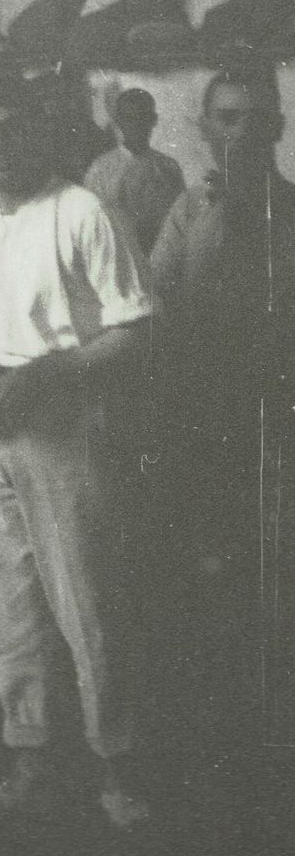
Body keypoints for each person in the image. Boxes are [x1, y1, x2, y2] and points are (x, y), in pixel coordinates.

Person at [0, 70, 156, 828]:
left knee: (86, 598)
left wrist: (43, 375)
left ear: (38, 128)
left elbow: (133, 328)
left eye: (9, 128)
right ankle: (26, 760)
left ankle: (117, 770)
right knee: (8, 599)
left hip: (65, 422)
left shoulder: (82, 210)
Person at [148, 67, 295, 741]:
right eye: (227, 118)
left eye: (256, 117)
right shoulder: (185, 210)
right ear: (206, 131)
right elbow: (160, 302)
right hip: (201, 418)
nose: (243, 132)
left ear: (279, 127)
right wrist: (212, 218)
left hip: (275, 422)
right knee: (206, 574)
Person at [84, 87, 184, 255]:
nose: (136, 125)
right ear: (118, 121)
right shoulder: (100, 169)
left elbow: (180, 223)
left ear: (153, 120)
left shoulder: (168, 169)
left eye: (143, 118)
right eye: (129, 118)